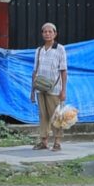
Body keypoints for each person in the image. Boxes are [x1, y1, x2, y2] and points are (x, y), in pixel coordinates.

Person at [29, 23, 70, 152]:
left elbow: (63, 71)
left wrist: (63, 90)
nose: (47, 34)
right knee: (43, 115)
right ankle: (44, 141)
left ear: (55, 34)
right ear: (42, 34)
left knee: (56, 116)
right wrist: (32, 90)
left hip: (55, 89)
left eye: (50, 31)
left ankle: (57, 142)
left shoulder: (60, 49)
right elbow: (35, 71)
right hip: (41, 88)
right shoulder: (39, 50)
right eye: (45, 32)